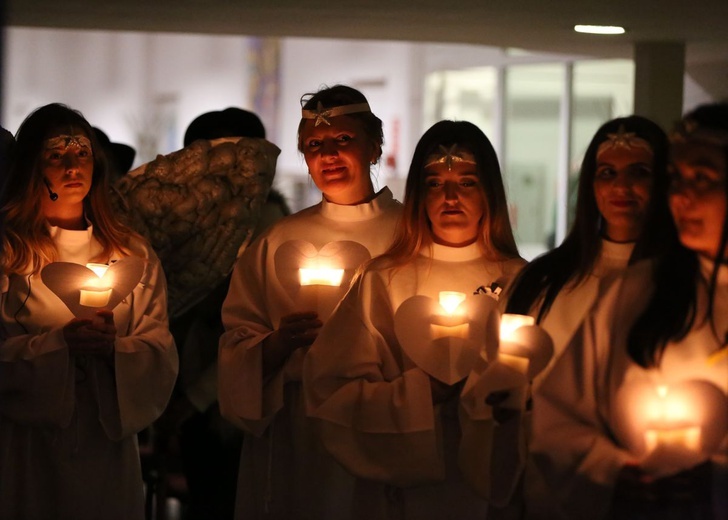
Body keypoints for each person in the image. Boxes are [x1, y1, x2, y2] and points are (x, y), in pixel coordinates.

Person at [304, 120, 526, 519]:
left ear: (490, 191)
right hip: (402, 496)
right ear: (419, 194)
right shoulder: (383, 279)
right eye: (436, 183)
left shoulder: (522, 282)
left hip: (492, 488)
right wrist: (422, 393)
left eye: (468, 182)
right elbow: (331, 393)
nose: (451, 197)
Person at [531, 102, 728, 520]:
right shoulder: (638, 291)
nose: (681, 196)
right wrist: (615, 473)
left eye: (702, 178)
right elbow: (556, 417)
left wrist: (713, 482)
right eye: (675, 178)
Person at [218, 85, 403, 519]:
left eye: (343, 140)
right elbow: (237, 339)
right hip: (297, 426)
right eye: (315, 145)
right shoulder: (277, 240)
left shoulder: (409, 236)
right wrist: (279, 344)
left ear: (374, 146)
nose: (329, 155)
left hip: (374, 420)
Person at [0, 103, 178, 519]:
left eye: (80, 153)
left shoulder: (130, 254)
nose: (71, 165)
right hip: (26, 444)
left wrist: (114, 351)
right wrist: (59, 344)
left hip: (103, 439)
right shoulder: (10, 254)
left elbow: (159, 346)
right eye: (55, 155)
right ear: (31, 165)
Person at [157, 106, 289, 520]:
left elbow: (260, 323)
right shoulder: (192, 217)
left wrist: (193, 399)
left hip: (237, 398)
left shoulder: (267, 223)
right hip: (193, 386)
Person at [505, 115, 672, 388]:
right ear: (591, 185)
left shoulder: (685, 283)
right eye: (607, 173)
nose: (621, 187)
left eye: (639, 172)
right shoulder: (541, 283)